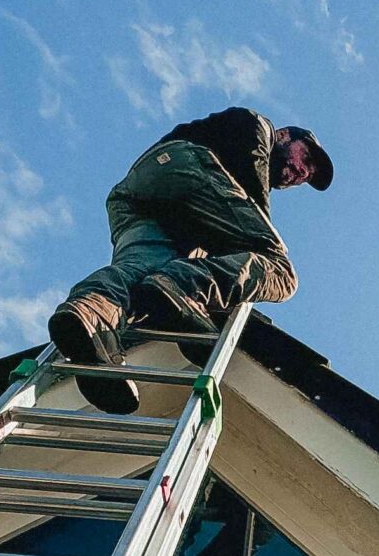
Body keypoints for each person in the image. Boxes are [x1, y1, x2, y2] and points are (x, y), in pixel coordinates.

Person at [47, 108, 333, 413]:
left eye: (308, 177)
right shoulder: (256, 126)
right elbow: (251, 212)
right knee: (279, 268)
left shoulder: (220, 196)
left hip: (140, 196)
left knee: (138, 270)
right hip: (184, 167)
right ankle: (181, 289)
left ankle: (92, 320)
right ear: (287, 136)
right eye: (308, 159)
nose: (303, 173)